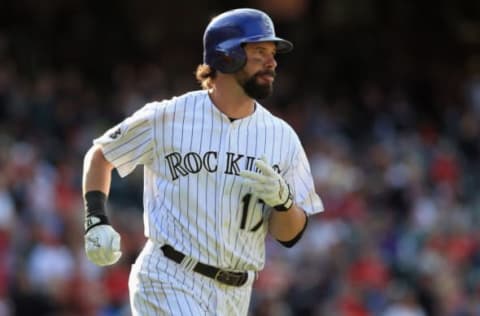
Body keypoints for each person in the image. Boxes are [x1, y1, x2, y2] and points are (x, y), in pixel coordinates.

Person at [82, 8, 323, 316]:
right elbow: (102, 155)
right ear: (226, 56)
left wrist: (284, 202)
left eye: (273, 53)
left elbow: (290, 235)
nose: (272, 62)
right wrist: (96, 219)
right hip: (169, 276)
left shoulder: (282, 137)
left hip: (237, 293)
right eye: (260, 51)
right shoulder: (167, 117)